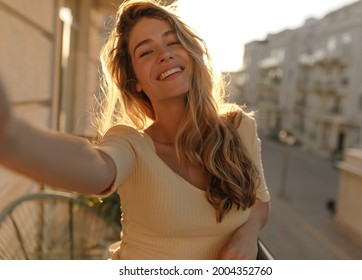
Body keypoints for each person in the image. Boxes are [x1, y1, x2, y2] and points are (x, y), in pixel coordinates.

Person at [0, 0, 270, 260]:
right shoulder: (131, 144)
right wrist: (11, 137)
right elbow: (93, 167)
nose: (164, 54)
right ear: (135, 81)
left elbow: (259, 202)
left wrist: (246, 235)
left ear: (191, 52)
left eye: (173, 41)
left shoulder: (239, 126)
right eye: (146, 51)